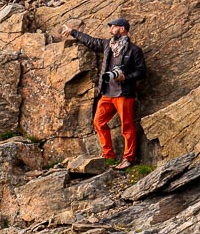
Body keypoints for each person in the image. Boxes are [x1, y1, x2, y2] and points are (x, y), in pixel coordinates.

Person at [60, 17, 146, 168]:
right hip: (107, 93)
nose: (111, 29)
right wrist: (73, 32)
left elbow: (141, 71)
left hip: (124, 93)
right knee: (98, 122)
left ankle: (128, 158)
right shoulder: (108, 45)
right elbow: (91, 41)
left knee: (127, 126)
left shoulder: (134, 50)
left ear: (122, 29)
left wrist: (125, 77)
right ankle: (108, 155)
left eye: (113, 27)